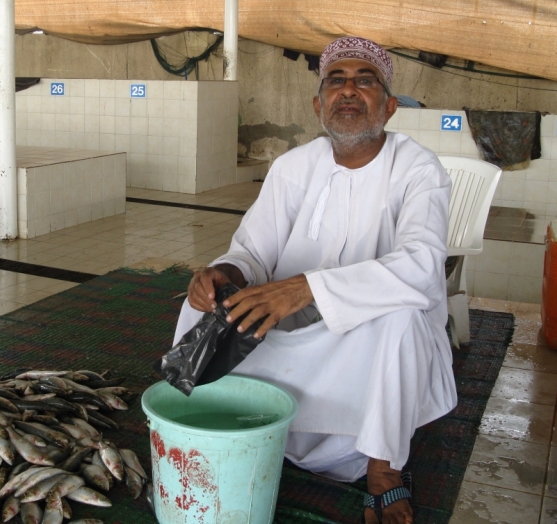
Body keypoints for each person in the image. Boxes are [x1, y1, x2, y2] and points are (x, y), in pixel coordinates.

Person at [176, 37, 456, 524]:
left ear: (388, 107)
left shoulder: (417, 168)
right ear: (318, 103)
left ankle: (383, 470)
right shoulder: (292, 166)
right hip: (291, 322)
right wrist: (224, 273)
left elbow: (421, 265)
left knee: (404, 322)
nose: (349, 91)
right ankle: (232, 426)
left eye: (364, 81)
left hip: (364, 329)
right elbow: (253, 251)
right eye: (336, 81)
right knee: (201, 305)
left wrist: (306, 288)